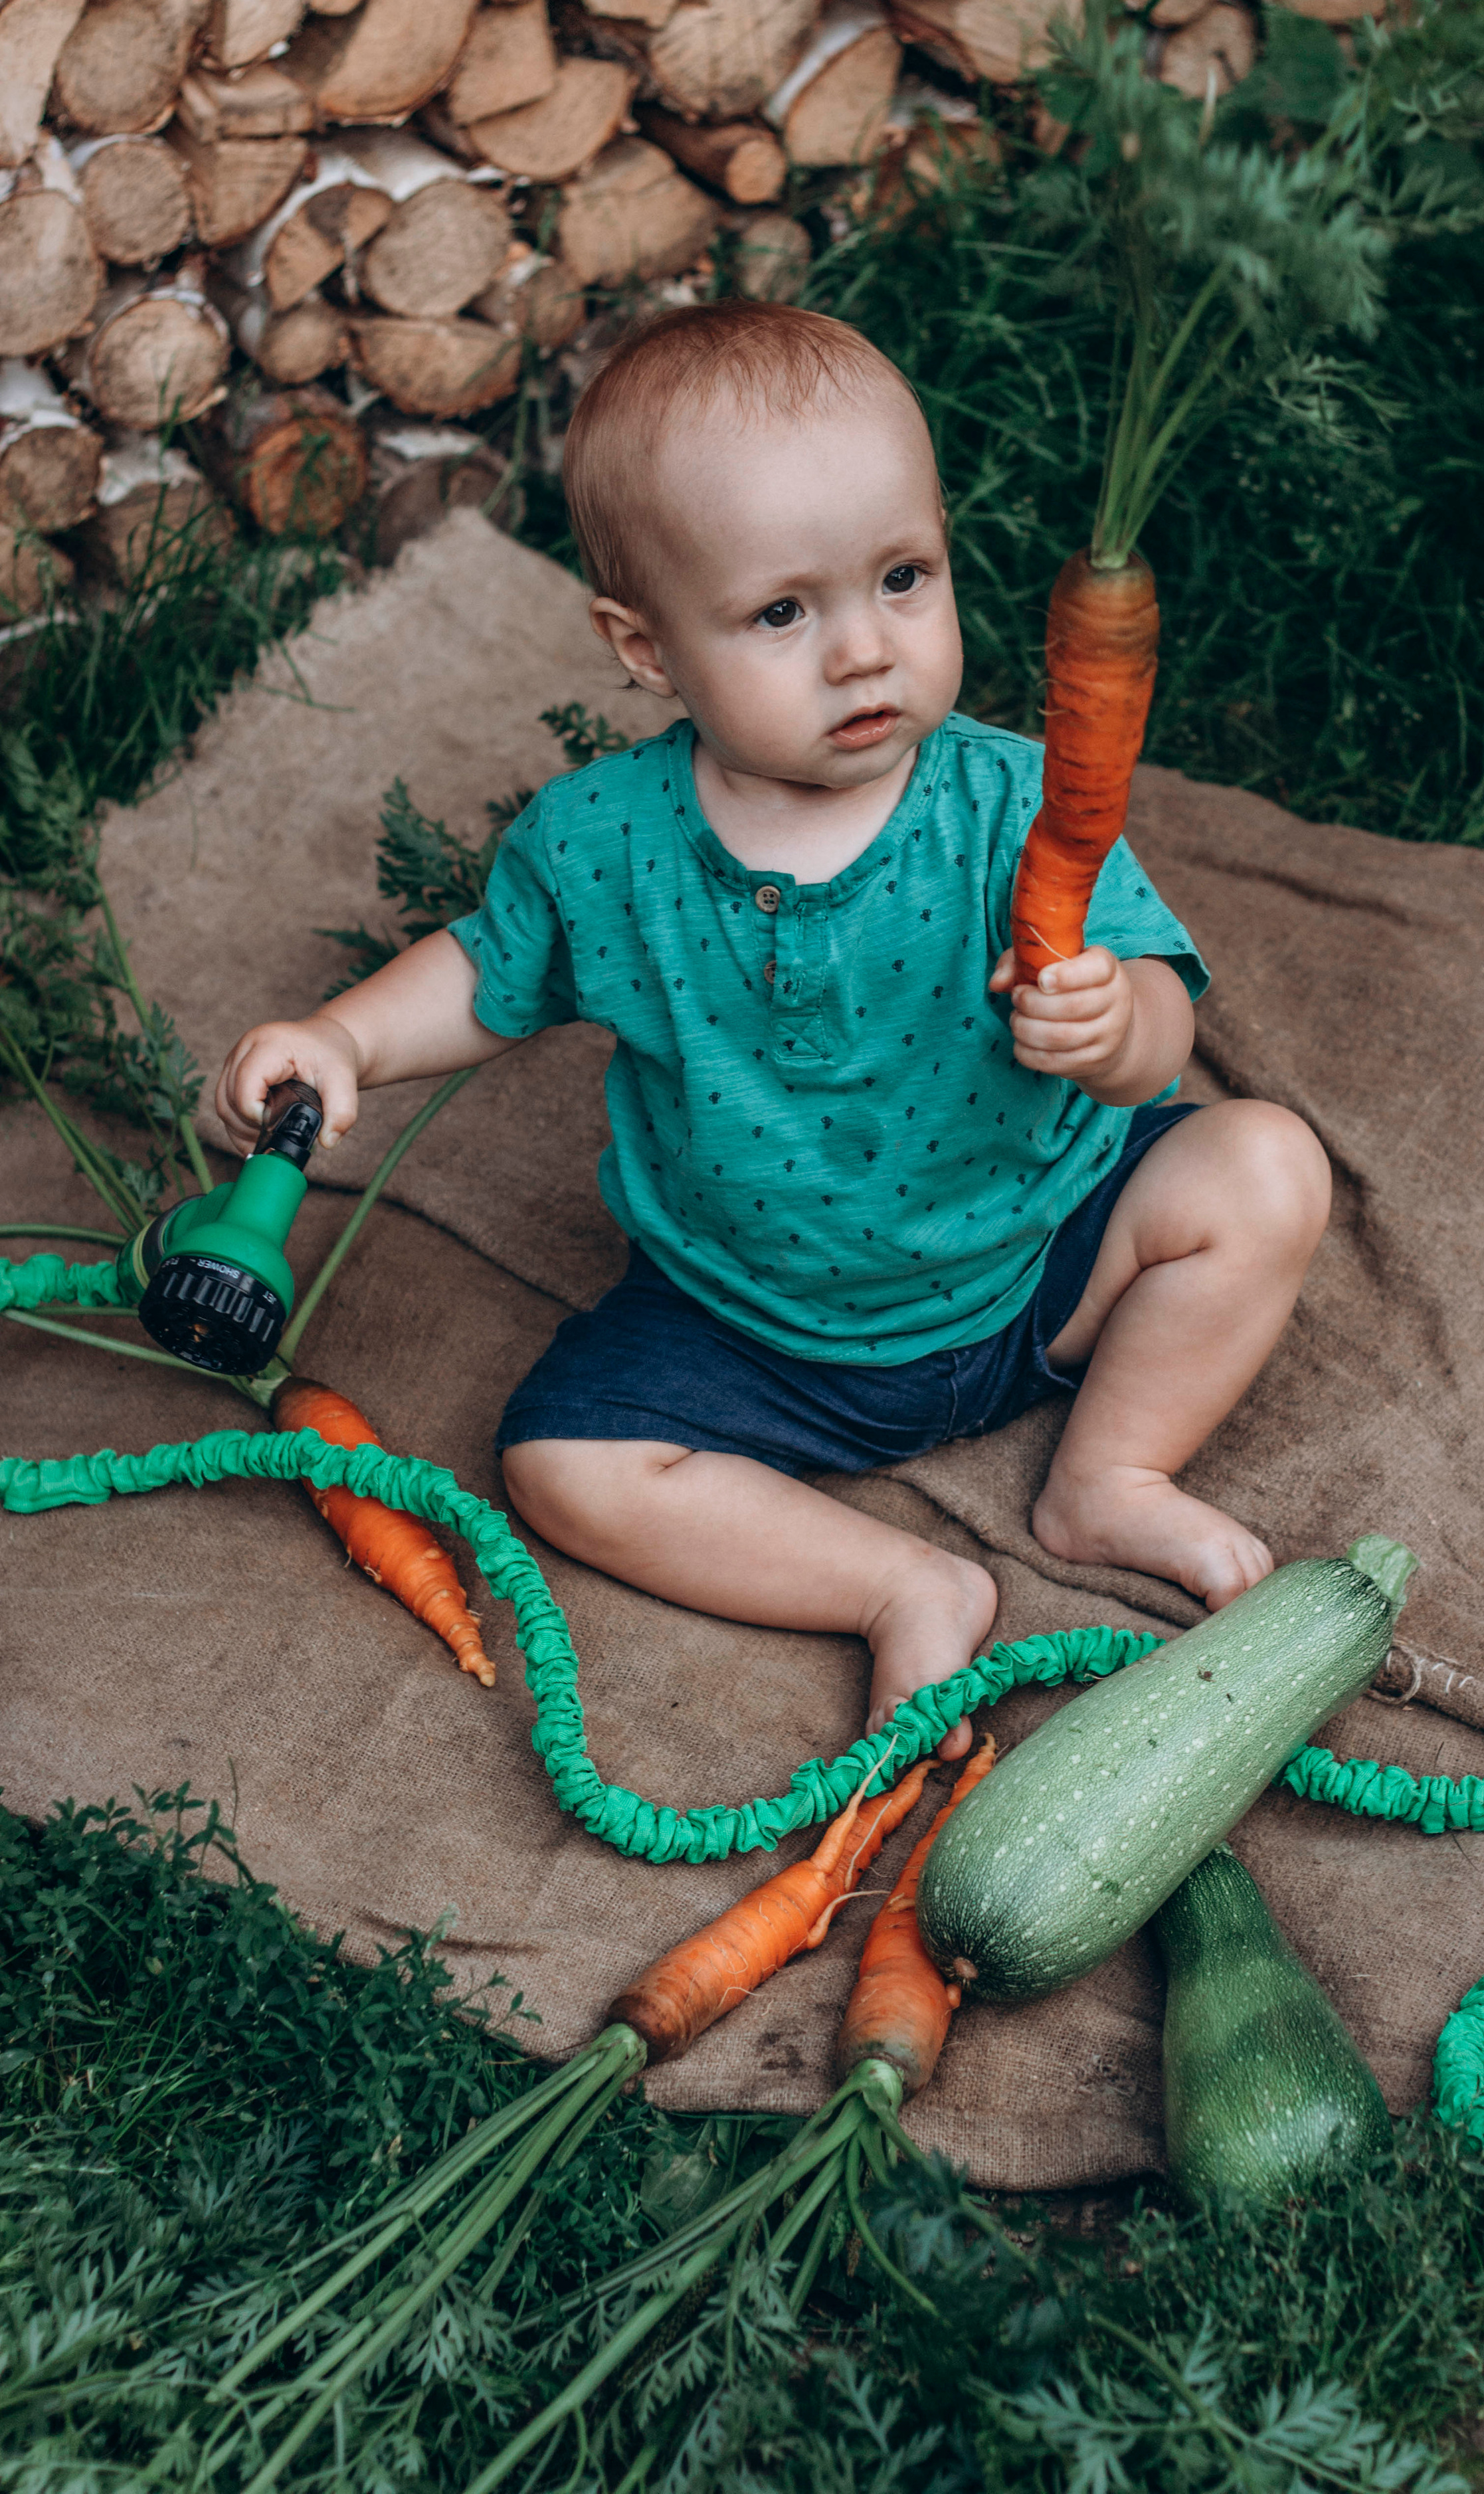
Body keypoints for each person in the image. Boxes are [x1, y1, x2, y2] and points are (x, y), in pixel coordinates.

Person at [216, 300, 1331, 1762]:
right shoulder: (605, 845)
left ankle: (1106, 1474)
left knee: (1263, 1168)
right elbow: (485, 973)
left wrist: (1114, 1024)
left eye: (901, 578)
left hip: (1039, 1260)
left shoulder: (1012, 804)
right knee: (559, 1463)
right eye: (782, 613)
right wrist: (344, 1045)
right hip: (751, 1322)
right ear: (647, 647)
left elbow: (1161, 1034)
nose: (864, 651)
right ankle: (897, 1584)